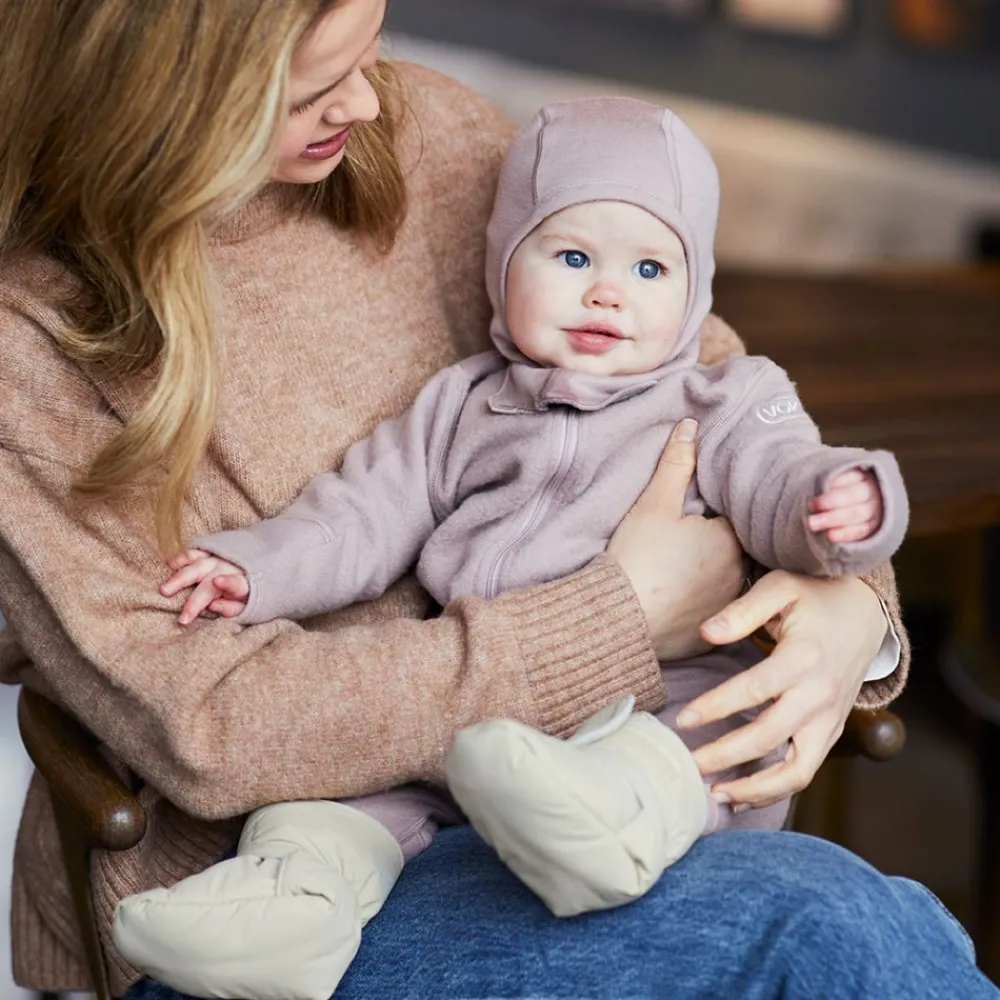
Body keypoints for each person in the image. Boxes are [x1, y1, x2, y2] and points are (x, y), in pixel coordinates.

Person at [0, 1, 992, 999]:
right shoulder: (28, 342)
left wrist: (849, 601)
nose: (366, 97)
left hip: (601, 768)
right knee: (826, 929)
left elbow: (725, 406)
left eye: (371, 40)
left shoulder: (436, 135)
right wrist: (622, 612)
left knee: (838, 924)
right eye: (306, 86)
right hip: (257, 866)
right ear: (153, 94)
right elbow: (211, 728)